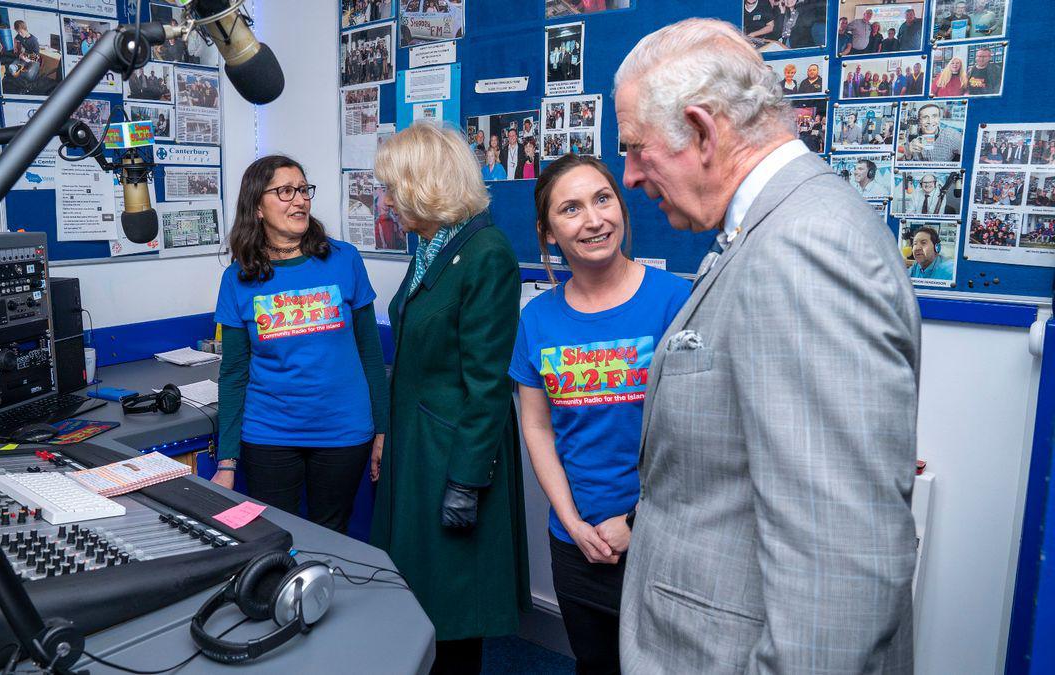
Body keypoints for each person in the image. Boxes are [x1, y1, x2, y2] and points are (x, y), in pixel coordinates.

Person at [613, 18, 918, 673]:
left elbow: (839, 578)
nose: (630, 175)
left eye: (637, 148)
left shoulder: (803, 248)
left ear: (702, 130)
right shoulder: (769, 228)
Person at [511, 154, 690, 675]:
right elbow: (537, 426)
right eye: (571, 208)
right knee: (594, 665)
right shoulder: (538, 319)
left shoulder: (676, 301)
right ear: (548, 233)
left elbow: (698, 438)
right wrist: (571, 521)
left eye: (602, 199)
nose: (593, 220)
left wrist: (637, 521)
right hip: (578, 543)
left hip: (661, 536)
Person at [370, 123, 530, 675]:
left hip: (453, 457)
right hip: (417, 449)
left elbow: (487, 384)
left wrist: (465, 481)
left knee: (455, 609)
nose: (387, 201)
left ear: (424, 183)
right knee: (421, 600)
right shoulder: (432, 246)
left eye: (393, 188)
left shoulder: (485, 252)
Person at [211, 156, 388, 536]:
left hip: (344, 432)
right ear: (257, 206)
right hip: (269, 434)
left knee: (332, 535)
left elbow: (370, 353)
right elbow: (233, 373)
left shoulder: (344, 260)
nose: (300, 201)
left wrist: (382, 431)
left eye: (304, 190)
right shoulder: (238, 278)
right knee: (275, 537)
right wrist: (227, 463)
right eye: (286, 191)